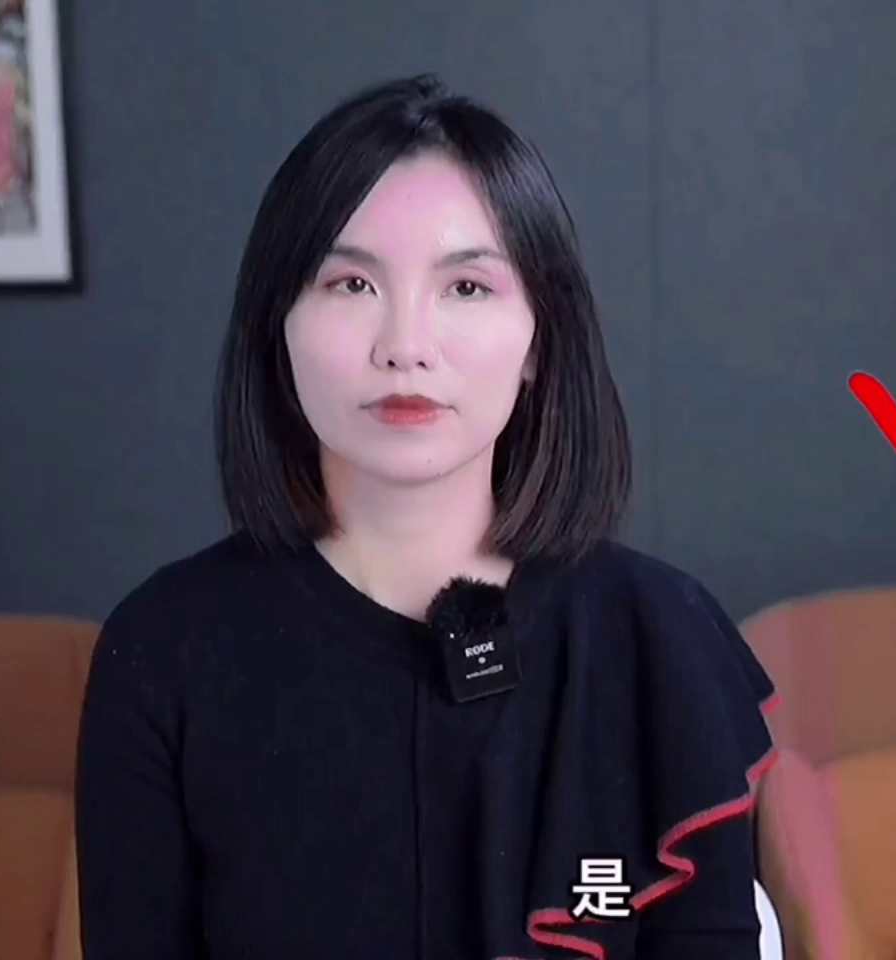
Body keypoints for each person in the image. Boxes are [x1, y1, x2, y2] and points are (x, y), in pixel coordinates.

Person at [75, 74, 778, 960]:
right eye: (350, 284)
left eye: (468, 288)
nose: (405, 345)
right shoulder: (165, 648)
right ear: (277, 326)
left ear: (539, 340)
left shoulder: (659, 636)